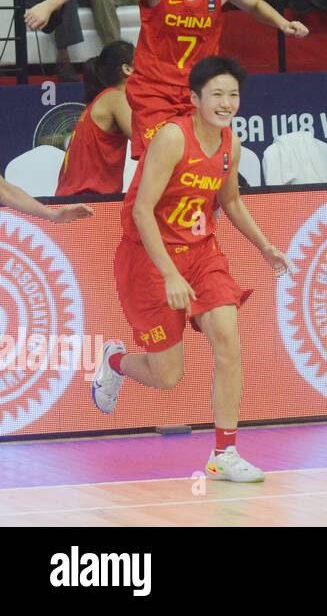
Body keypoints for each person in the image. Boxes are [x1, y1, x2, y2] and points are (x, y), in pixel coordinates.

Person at [89, 55, 291, 483]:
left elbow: (231, 201)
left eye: (233, 94)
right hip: (148, 258)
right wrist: (169, 274)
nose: (226, 102)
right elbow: (143, 212)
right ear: (196, 99)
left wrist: (266, 247)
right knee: (168, 376)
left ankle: (225, 452)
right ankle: (116, 361)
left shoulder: (230, 144)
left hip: (202, 254)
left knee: (229, 341)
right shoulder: (171, 139)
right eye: (216, 94)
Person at [24, 0, 309, 158]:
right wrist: (48, 4)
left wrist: (283, 23)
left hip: (199, 93)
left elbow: (255, 5)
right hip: (155, 92)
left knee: (204, 164)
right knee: (163, 164)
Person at [56, 41, 133, 197]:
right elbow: (145, 139)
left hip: (75, 201)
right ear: (127, 69)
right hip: (87, 203)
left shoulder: (103, 99)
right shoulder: (116, 98)